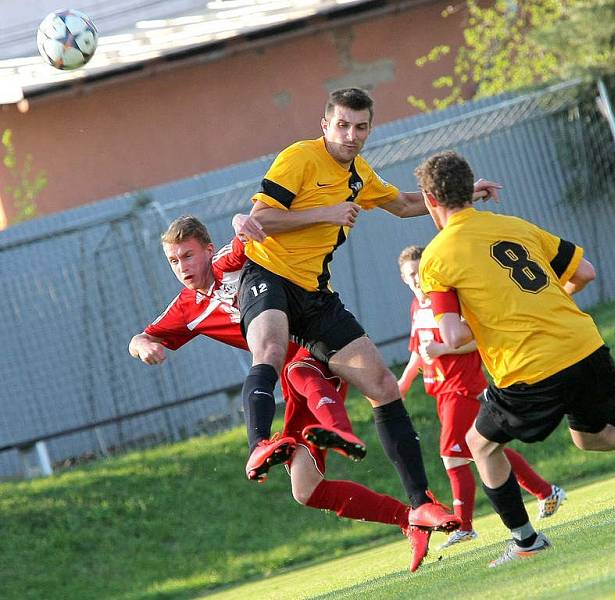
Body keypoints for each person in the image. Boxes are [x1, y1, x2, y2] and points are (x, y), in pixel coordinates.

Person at [413, 150, 615, 568]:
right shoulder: (515, 226)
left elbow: (451, 333)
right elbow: (584, 271)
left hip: (528, 368)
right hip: (586, 347)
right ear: (470, 188)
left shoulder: (437, 256)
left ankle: (526, 541)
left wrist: (492, 324)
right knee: (596, 434)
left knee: (480, 444)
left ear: (429, 199)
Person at [235, 87, 500, 533]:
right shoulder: (299, 158)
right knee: (272, 347)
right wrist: (326, 213)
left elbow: (402, 204)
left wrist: (460, 195)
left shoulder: (359, 175)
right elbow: (261, 220)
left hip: (316, 294)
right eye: (343, 125)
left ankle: (420, 504)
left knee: (383, 385)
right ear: (325, 125)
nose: (351, 135)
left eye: (360, 127)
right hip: (268, 275)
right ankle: (260, 442)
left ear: (369, 128)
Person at [129, 215, 432, 572]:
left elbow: (260, 226)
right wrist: (141, 346)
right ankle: (408, 519)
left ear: (209, 250)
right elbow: (142, 337)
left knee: (299, 370)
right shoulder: (187, 308)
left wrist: (245, 218)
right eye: (174, 261)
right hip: (288, 380)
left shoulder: (234, 259)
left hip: (316, 350)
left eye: (189, 255)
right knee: (306, 489)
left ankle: (338, 431)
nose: (183, 267)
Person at [396, 245, 566, 550]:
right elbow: (417, 351)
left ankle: (463, 525)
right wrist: (405, 381)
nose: (418, 279)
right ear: (403, 279)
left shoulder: (445, 302)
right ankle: (546, 491)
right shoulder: (415, 307)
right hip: (441, 389)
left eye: (421, 272)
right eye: (411, 275)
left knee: (453, 455)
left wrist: (443, 350)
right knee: (484, 448)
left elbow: (474, 339)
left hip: (462, 386)